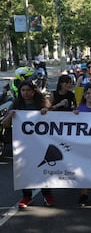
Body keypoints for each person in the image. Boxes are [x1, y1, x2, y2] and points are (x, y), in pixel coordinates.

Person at [2, 80, 54, 208]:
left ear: (33, 91)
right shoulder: (16, 105)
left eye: (28, 90)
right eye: (23, 90)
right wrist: (10, 116)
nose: (25, 93)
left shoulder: (42, 103)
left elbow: (55, 119)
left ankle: (47, 194)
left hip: (41, 144)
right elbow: (5, 124)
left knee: (42, 169)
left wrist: (46, 112)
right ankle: (26, 196)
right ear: (20, 92)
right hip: (22, 145)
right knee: (24, 169)